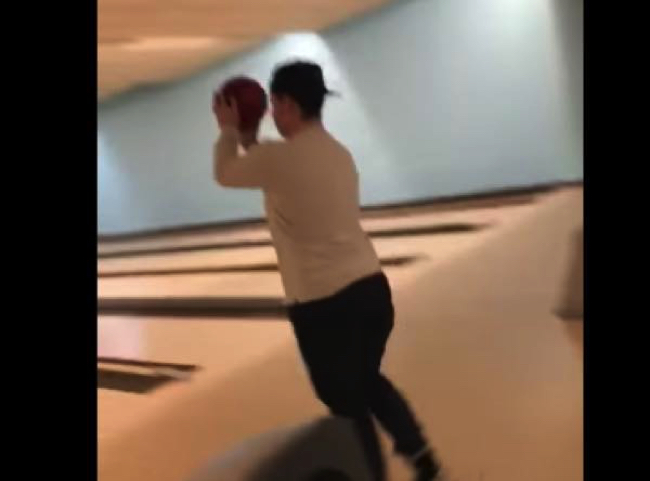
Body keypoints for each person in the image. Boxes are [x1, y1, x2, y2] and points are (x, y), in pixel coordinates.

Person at [213, 60, 443, 481]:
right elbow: (270, 165)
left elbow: (227, 173)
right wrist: (247, 138)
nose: (271, 113)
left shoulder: (279, 159)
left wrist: (230, 130)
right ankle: (423, 457)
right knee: (368, 381)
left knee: (347, 407)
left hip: (324, 306)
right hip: (372, 291)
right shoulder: (338, 153)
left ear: (286, 104)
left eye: (274, 104)